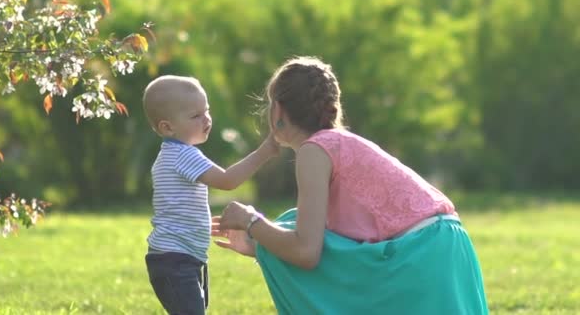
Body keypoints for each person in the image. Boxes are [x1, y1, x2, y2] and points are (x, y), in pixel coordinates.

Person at [212, 56, 489, 314]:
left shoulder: (314, 150)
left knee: (293, 229)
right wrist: (259, 243)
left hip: (421, 255)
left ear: (279, 110)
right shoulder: (337, 142)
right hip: (449, 248)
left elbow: (306, 253)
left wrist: (251, 221)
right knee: (292, 222)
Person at [142, 75, 279, 315]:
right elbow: (227, 181)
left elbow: (176, 204)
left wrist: (201, 223)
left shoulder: (171, 155)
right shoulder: (184, 155)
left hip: (178, 258)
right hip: (176, 261)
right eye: (195, 116)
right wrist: (265, 151)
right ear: (167, 127)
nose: (206, 119)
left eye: (206, 111)